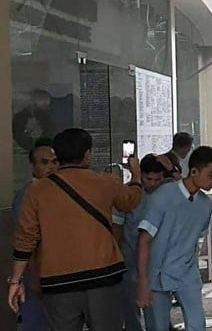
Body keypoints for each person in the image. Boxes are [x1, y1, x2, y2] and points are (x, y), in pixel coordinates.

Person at [8, 128, 143, 331]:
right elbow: (130, 201)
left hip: (58, 283)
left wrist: (16, 280)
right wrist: (136, 175)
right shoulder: (104, 182)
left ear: (58, 155)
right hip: (102, 277)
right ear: (87, 154)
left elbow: (26, 239)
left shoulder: (36, 191)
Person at [137, 146, 212, 331]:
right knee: (158, 326)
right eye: (211, 175)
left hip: (187, 272)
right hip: (157, 272)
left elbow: (197, 241)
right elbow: (144, 239)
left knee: (197, 324)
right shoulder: (163, 196)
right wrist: (143, 282)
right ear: (194, 171)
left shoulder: (205, 205)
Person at [113, 155, 169, 331]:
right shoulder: (129, 194)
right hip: (129, 260)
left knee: (156, 312)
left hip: (156, 263)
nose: (152, 184)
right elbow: (117, 229)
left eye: (157, 179)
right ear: (141, 175)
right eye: (148, 179)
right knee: (131, 311)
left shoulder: (167, 194)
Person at [11, 139, 58, 331]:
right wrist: (33, 274)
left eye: (54, 161)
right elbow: (25, 240)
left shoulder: (57, 193)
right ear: (33, 165)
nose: (51, 167)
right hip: (35, 273)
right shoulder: (26, 196)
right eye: (44, 162)